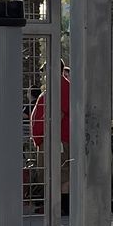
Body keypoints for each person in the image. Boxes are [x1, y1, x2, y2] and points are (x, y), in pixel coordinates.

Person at [29, 65, 70, 216]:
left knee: (61, 173)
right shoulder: (53, 88)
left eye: (45, 71)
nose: (43, 75)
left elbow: (59, 114)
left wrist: (48, 135)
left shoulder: (63, 87)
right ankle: (55, 205)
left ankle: (62, 206)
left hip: (57, 139)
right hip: (48, 138)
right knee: (51, 172)